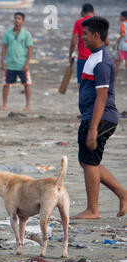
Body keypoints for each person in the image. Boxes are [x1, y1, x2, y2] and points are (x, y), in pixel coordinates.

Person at [72, 16, 127, 220]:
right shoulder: (93, 57)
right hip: (92, 116)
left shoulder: (102, 61)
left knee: (90, 161)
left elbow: (102, 98)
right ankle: (122, 194)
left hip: (100, 117)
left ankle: (93, 210)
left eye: (85, 34)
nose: (82, 37)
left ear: (96, 35)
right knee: (87, 161)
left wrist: (93, 128)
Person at [0, 12, 33, 111]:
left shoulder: (26, 34)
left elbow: (29, 49)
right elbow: (4, 48)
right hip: (10, 63)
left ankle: (27, 105)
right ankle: (4, 104)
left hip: (22, 64)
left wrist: (27, 63)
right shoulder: (8, 34)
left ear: (23, 21)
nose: (17, 20)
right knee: (6, 85)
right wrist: (3, 60)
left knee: (26, 84)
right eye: (15, 18)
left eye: (19, 18)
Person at [69, 4, 94, 85]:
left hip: (83, 58)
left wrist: (70, 55)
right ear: (93, 12)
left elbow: (73, 42)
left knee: (82, 85)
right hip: (97, 59)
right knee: (95, 85)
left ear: (82, 13)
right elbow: (106, 42)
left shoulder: (78, 22)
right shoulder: (98, 23)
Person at [113, 11, 127, 83]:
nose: (120, 17)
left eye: (121, 16)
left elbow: (123, 34)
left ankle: (114, 80)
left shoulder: (122, 24)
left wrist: (116, 43)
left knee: (117, 63)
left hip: (122, 46)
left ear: (124, 17)